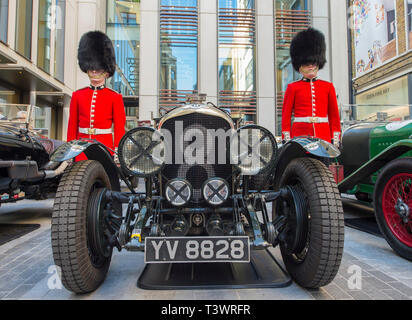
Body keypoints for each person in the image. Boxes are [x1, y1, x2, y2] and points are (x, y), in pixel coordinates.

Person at [67, 31, 126, 161]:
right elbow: (72, 126)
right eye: (91, 67)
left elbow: (119, 128)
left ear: (105, 70)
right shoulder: (77, 95)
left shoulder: (114, 97)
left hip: (105, 147)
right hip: (80, 148)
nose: (94, 71)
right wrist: (70, 149)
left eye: (98, 68)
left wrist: (117, 151)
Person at [281, 28, 341, 147]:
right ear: (299, 65)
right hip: (300, 137)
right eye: (306, 64)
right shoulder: (293, 87)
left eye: (313, 63)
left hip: (323, 136)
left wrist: (335, 137)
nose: (310, 66)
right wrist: (287, 138)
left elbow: (334, 116)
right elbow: (286, 115)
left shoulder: (328, 87)